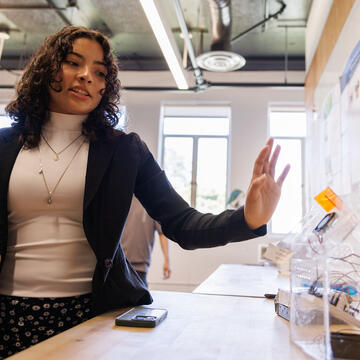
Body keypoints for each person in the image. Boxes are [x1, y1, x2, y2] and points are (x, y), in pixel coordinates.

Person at [0, 25, 290, 358]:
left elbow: (182, 223)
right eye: (72, 63)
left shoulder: (124, 150)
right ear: (47, 68)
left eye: (99, 72)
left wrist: (249, 218)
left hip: (91, 313)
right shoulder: (5, 145)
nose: (86, 77)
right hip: (9, 313)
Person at [121, 196, 171, 287]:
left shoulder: (152, 202)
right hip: (120, 262)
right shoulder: (122, 198)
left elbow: (162, 234)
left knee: (140, 297)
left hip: (141, 265)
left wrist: (166, 260)